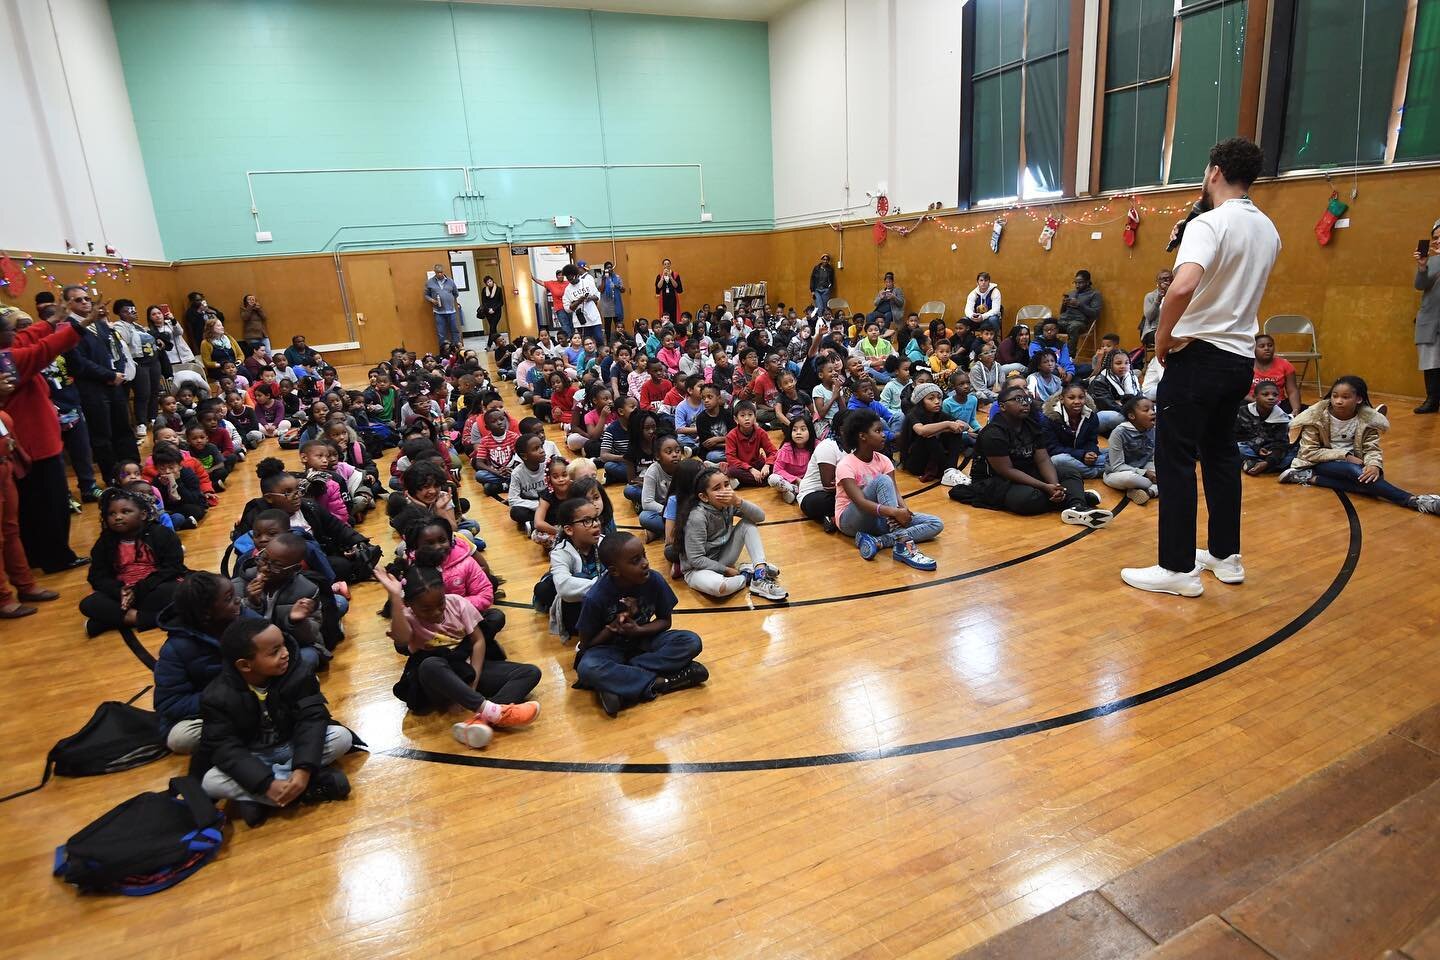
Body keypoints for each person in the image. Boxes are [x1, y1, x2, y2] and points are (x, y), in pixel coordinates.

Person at [1118, 140, 1281, 597]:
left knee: (1174, 459)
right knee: (1221, 454)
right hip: (1239, 359)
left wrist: (1163, 338)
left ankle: (1177, 569)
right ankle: (1226, 557)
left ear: (1213, 172)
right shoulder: (1268, 229)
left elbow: (1183, 284)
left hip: (1199, 355)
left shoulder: (1209, 222)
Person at [196, 619, 354, 826]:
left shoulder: (299, 672)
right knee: (210, 782)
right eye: (274, 652)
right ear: (245, 665)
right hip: (255, 755)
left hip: (293, 744)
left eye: (284, 645)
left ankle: (264, 798)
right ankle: (304, 788)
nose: (285, 653)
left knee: (342, 738)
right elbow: (225, 748)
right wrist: (265, 782)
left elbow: (312, 720)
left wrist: (303, 769)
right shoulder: (217, 696)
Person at [575, 533, 707, 717]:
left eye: (644, 555)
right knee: (588, 668)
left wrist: (639, 630)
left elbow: (665, 621)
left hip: (645, 642)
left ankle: (622, 685)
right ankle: (663, 681)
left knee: (691, 641)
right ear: (614, 571)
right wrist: (612, 627)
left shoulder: (655, 580)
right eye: (636, 561)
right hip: (609, 650)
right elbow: (587, 644)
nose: (645, 563)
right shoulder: (595, 597)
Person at [0, 303, 90, 573]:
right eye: (15, 327)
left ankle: (37, 555)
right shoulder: (8, 358)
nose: (22, 333)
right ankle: (55, 557)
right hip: (34, 444)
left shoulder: (9, 350)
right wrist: (78, 324)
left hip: (29, 442)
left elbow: (30, 337)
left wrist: (53, 320)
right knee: (50, 503)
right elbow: (44, 348)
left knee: (32, 504)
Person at [952, 383, 1113, 527]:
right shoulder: (993, 433)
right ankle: (1073, 498)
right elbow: (1006, 471)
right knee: (1028, 500)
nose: (1024, 403)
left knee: (1069, 472)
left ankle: (1077, 507)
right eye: (1017, 399)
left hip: (1028, 471)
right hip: (997, 481)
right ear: (1002, 406)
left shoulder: (1031, 425)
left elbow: (1042, 459)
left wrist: (1054, 485)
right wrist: (1045, 487)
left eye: (1026, 399)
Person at [1279, 375, 1439, 514]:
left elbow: (1371, 448)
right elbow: (1309, 452)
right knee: (1358, 474)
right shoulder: (1315, 417)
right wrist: (1346, 456)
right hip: (1317, 463)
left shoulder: (1368, 420)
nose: (1338, 401)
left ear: (1359, 399)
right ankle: (1415, 501)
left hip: (1356, 464)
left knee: (1372, 479)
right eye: (1335, 396)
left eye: (1345, 397)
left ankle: (1312, 479)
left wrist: (1374, 465)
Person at [154, 572, 253, 754]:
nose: (238, 600)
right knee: (180, 738)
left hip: (255, 696)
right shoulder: (175, 649)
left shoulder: (245, 617)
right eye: (229, 599)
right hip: (213, 711)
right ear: (207, 613)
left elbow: (278, 644)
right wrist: (224, 698)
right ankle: (253, 732)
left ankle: (244, 734)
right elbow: (169, 703)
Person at [834, 409, 943, 569]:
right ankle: (903, 545)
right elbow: (860, 502)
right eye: (878, 431)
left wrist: (904, 510)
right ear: (862, 436)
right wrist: (894, 513)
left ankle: (879, 541)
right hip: (851, 520)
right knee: (882, 480)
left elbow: (896, 492)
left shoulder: (884, 460)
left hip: (881, 518)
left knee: (935, 523)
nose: (884, 434)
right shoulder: (846, 464)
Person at [80, 488, 188, 636]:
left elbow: (173, 568)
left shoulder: (161, 533)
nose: (117, 517)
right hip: (124, 593)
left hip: (155, 587)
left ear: (143, 514)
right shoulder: (105, 541)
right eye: (112, 514)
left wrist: (137, 590)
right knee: (89, 603)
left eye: (125, 512)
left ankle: (107, 622)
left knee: (184, 590)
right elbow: (96, 576)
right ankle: (150, 618)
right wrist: (119, 591)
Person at [63, 286, 139, 483]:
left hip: (115, 384)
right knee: (103, 434)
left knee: (123, 428)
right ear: (68, 304)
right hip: (93, 388)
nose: (85, 302)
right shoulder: (67, 327)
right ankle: (113, 476)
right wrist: (108, 375)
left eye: (87, 298)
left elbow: (117, 349)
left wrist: (119, 371)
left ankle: (134, 472)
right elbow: (78, 362)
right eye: (78, 300)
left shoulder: (100, 324)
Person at [678, 466, 787, 601]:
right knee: (720, 587)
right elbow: (696, 559)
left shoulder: (729, 504)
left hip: (722, 557)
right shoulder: (697, 517)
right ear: (704, 497)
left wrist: (738, 502)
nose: (725, 491)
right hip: (698, 569)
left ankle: (759, 575)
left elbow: (760, 517)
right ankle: (747, 576)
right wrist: (726, 570)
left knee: (748, 523)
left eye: (726, 484)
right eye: (717, 488)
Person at [112, 300, 160, 438]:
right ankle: (141, 423)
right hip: (139, 363)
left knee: (154, 391)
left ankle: (153, 418)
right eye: (127, 311)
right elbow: (124, 344)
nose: (132, 312)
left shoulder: (138, 326)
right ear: (120, 314)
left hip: (153, 361)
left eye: (133, 309)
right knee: (143, 393)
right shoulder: (119, 326)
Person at [901, 382, 968, 482]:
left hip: (934, 458)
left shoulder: (939, 414)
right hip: (916, 462)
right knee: (929, 435)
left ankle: (951, 470)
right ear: (921, 401)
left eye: (939, 398)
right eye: (931, 398)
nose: (937, 401)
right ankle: (947, 471)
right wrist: (947, 425)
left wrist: (954, 426)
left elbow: (966, 426)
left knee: (955, 433)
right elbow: (921, 430)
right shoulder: (913, 415)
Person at [1044, 382, 1106, 480]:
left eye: (1081, 397)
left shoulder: (1091, 415)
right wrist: (1082, 455)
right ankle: (1098, 472)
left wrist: (1091, 452)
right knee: (1057, 460)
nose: (1077, 401)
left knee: (1113, 452)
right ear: (1061, 399)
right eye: (1071, 398)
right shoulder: (1050, 418)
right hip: (1066, 456)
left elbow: (1092, 440)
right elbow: (1053, 448)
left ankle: (1102, 467)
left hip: (1082, 455)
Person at [1103, 397, 1159, 504]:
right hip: (1117, 474)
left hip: (1143, 469)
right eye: (1146, 410)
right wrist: (1145, 473)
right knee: (1130, 479)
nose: (1152, 413)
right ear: (1132, 416)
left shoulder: (1153, 430)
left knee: (1168, 474)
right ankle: (1152, 487)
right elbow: (1117, 466)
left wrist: (1154, 472)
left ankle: (1147, 492)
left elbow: (1151, 458)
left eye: (1153, 409)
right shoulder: (1119, 433)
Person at [1235, 380, 1296, 475]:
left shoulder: (1282, 418)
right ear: (1255, 397)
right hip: (1250, 448)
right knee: (1237, 447)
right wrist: (1257, 449)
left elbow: (1281, 444)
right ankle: (1263, 466)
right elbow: (1238, 437)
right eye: (1265, 394)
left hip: (1271, 451)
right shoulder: (1243, 412)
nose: (1271, 398)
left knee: (1290, 456)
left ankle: (1253, 464)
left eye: (1275, 395)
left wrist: (1268, 461)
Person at [1414, 218, 1440, 413]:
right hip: (1431, 319)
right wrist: (1422, 266)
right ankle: (1432, 401)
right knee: (1431, 363)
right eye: (1435, 238)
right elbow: (1420, 285)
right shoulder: (1431, 260)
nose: (1437, 241)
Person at [1088, 347, 1142, 435]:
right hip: (1100, 415)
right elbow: (1108, 405)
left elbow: (1140, 399)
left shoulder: (1132, 378)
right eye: (1118, 363)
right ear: (1110, 364)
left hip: (1127, 411)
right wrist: (1133, 412)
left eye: (1126, 363)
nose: (1123, 366)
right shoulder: (1100, 381)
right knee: (1118, 418)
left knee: (1152, 411)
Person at [639, 435, 682, 542]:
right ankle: (678, 531)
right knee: (645, 517)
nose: (675, 455)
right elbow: (647, 503)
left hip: (683, 511)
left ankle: (658, 532)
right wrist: (671, 512)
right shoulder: (653, 471)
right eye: (669, 452)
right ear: (658, 456)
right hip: (664, 510)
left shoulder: (685, 468)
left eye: (677, 451)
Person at [724, 401, 776, 487]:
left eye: (750, 415)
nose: (747, 418)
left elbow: (773, 452)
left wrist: (767, 465)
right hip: (742, 467)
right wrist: (750, 469)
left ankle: (741, 483)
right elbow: (731, 458)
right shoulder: (731, 436)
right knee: (731, 471)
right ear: (736, 419)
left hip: (758, 464)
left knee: (778, 463)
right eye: (742, 415)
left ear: (755, 417)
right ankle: (765, 481)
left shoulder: (761, 432)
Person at [1251, 333, 1303, 414]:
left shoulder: (1285, 365)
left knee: (1307, 411)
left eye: (1270, 345)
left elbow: (1292, 390)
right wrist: (1260, 403)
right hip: (1252, 402)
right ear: (1253, 349)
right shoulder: (1247, 365)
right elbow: (1240, 392)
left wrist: (1296, 410)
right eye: (1262, 346)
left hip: (1278, 404)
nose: (1267, 348)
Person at [769, 416, 815, 504]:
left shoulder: (817, 445)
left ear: (810, 431)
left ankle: (793, 493)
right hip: (790, 481)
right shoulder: (787, 447)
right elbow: (777, 470)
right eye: (794, 430)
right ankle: (795, 490)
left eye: (803, 429)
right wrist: (796, 479)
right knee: (773, 479)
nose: (798, 433)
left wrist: (806, 481)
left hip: (810, 481)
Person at [562, 263, 604, 347]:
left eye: (572, 278)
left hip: (594, 318)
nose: (571, 281)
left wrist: (589, 298)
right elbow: (567, 309)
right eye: (568, 279)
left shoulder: (587, 282)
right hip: (581, 321)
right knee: (586, 343)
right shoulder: (568, 290)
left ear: (577, 275)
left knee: (599, 339)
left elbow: (597, 296)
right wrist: (578, 301)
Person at [1057, 270, 1102, 345]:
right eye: (1075, 282)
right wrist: (1064, 304)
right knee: (1042, 325)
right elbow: (1062, 313)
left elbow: (1095, 313)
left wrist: (1079, 305)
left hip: (1080, 323)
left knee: (1073, 327)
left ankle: (1070, 356)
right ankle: (1042, 354)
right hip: (1064, 322)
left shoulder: (1094, 294)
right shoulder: (1071, 293)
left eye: (1080, 283)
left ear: (1087, 282)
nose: (1077, 285)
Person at [424, 263, 462, 349]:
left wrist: (449, 300)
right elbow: (426, 295)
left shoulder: (450, 281)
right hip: (438, 312)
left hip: (451, 311)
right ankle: (444, 351)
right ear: (435, 272)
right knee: (441, 333)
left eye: (441, 272)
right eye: (437, 272)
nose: (439, 274)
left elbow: (456, 293)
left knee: (455, 330)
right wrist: (432, 300)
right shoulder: (430, 282)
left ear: (443, 271)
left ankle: (457, 349)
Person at [1140, 269, 1173, 353]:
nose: (1166, 281)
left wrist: (1170, 294)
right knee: (1168, 336)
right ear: (1157, 281)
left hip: (1171, 329)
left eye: (1169, 278)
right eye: (1163, 279)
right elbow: (1149, 317)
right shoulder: (1150, 296)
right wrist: (1158, 300)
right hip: (1153, 330)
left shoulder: (1176, 295)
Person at [598, 261, 625, 343]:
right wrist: (603, 279)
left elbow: (623, 290)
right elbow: (600, 290)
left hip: (616, 304)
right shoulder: (601, 278)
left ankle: (620, 340)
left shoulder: (617, 277)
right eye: (607, 267)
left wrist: (616, 285)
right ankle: (609, 342)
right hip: (607, 305)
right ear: (605, 269)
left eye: (610, 267)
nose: (609, 269)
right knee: (607, 325)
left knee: (618, 324)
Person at [477, 275, 504, 346]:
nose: (489, 283)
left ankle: (489, 344)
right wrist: (488, 309)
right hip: (488, 312)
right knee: (493, 329)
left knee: (492, 328)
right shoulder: (484, 290)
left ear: (492, 280)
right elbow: (483, 302)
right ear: (486, 283)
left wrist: (493, 309)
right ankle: (498, 344)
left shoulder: (498, 289)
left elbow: (501, 302)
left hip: (497, 312)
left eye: (490, 281)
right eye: (487, 282)